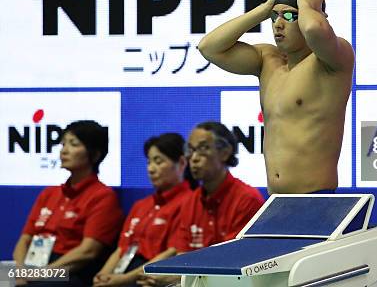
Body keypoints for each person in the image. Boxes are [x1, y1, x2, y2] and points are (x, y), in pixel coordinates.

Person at [198, 0, 354, 194]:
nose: (278, 24)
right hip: (275, 200)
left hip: (316, 198)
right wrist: (263, 9)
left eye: (289, 16)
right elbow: (209, 47)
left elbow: (313, 28)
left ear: (316, 14)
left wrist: (308, 7)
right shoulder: (267, 60)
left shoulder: (332, 60)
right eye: (275, 16)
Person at [136, 122, 264, 286]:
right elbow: (183, 253)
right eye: (191, 150)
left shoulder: (246, 199)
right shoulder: (190, 201)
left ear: (225, 152)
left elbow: (233, 262)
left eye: (203, 149)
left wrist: (178, 277)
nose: (194, 158)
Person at [12, 120, 124, 287]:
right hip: (33, 266)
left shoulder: (103, 196)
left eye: (73, 144)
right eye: (63, 144)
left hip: (69, 273)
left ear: (94, 154)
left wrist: (42, 274)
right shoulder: (49, 193)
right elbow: (24, 240)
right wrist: (21, 271)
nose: (64, 150)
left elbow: (87, 252)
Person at [93, 133, 193, 287]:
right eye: (149, 162)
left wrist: (124, 280)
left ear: (181, 163)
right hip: (124, 273)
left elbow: (172, 252)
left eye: (158, 161)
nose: (151, 169)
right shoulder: (141, 205)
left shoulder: (190, 202)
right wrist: (103, 275)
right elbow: (121, 248)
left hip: (153, 276)